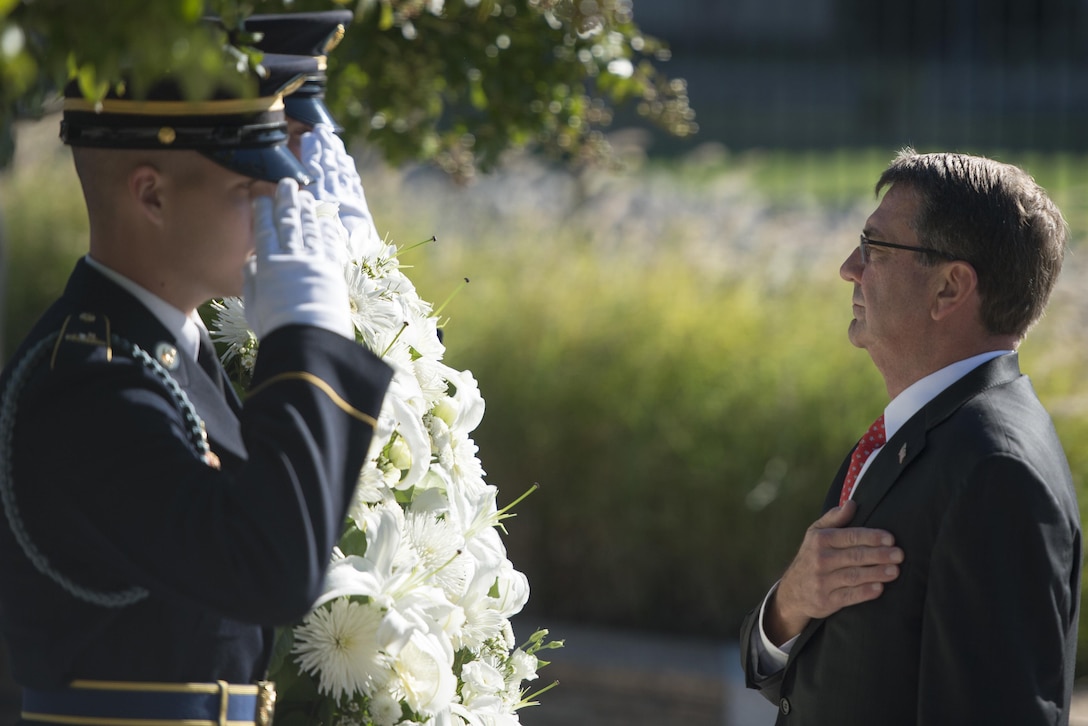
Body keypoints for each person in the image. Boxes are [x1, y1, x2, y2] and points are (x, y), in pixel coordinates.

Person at [0, 46, 392, 726]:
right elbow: (270, 571)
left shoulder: (158, 353)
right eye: (249, 188)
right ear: (151, 194)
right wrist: (306, 340)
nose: (278, 205)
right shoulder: (90, 390)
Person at [740, 149, 1081, 724]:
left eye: (875, 247)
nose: (850, 266)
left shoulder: (996, 468)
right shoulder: (915, 432)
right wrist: (791, 603)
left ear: (950, 287)